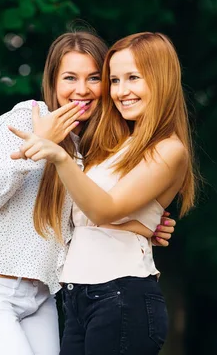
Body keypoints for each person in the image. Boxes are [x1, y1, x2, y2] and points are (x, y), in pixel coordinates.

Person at [0, 31, 176, 355]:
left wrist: (143, 223)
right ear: (53, 82)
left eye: (94, 78)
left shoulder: (101, 150)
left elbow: (90, 219)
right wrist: (34, 146)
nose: (81, 90)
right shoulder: (29, 117)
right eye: (70, 77)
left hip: (43, 299)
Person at [10, 32, 197, 354]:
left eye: (133, 78)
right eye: (114, 80)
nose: (121, 91)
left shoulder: (169, 149)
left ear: (162, 80)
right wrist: (143, 225)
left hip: (121, 296)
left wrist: (58, 156)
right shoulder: (113, 146)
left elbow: (104, 210)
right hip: (78, 298)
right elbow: (81, 213)